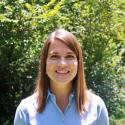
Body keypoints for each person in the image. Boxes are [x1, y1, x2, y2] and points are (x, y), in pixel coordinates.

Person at [14, 29, 109, 125]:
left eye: (69, 56)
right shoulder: (25, 110)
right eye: (54, 56)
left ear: (78, 63)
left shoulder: (97, 107)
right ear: (44, 63)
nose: (62, 64)